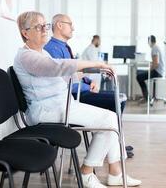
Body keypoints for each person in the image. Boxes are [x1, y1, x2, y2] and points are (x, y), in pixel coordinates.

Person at [14, 11, 141, 188]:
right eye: (38, 26)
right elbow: (57, 67)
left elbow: (66, 74)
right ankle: (86, 174)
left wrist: (87, 78)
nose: (44, 30)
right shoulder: (26, 56)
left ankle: (115, 173)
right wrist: (97, 64)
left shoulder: (42, 53)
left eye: (45, 25)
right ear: (25, 33)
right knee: (109, 120)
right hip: (46, 111)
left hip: (62, 105)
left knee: (112, 118)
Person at [44, 14, 134, 157]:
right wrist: (81, 77)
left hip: (81, 89)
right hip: (73, 95)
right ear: (59, 25)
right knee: (116, 100)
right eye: (70, 24)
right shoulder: (52, 49)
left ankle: (114, 145)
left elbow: (75, 70)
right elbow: (64, 78)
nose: (73, 28)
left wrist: (89, 81)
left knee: (119, 99)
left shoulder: (63, 47)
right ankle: (113, 147)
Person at [136, 35, 165, 103]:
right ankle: (146, 97)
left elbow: (156, 64)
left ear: (149, 41)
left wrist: (149, 70)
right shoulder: (157, 47)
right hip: (160, 71)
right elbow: (156, 62)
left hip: (158, 72)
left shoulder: (154, 48)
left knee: (139, 77)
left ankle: (146, 98)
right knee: (140, 73)